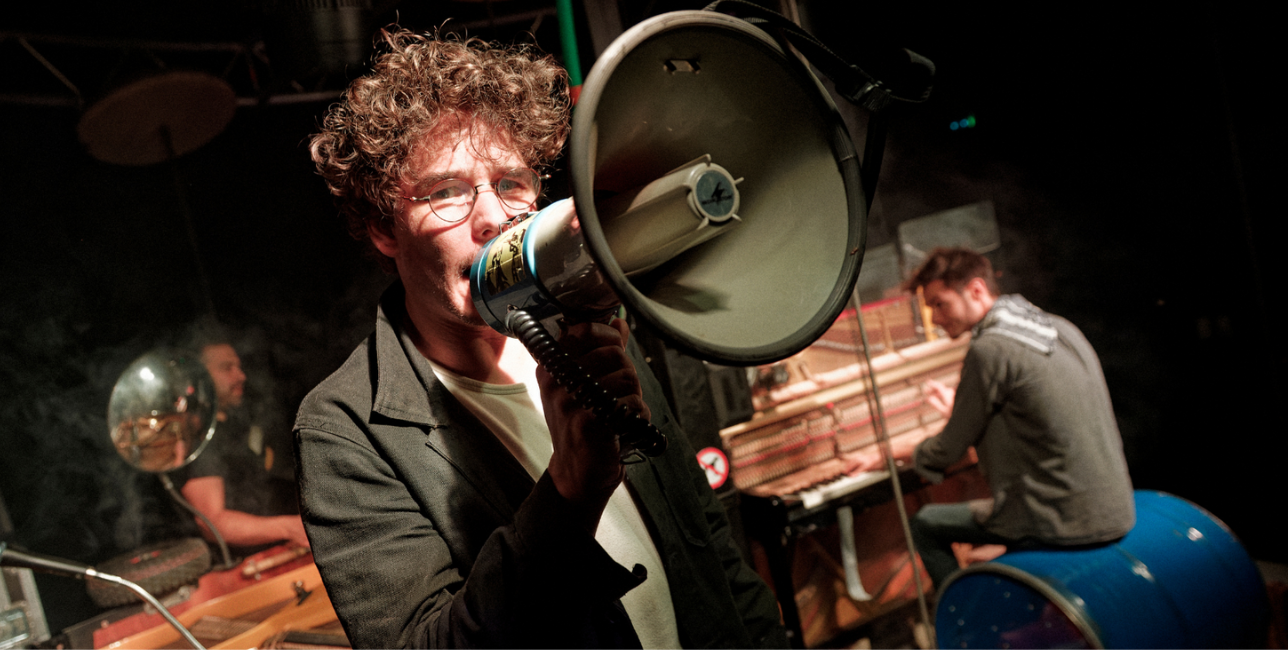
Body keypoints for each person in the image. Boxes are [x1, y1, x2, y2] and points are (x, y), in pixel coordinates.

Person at [293, 25, 789, 649]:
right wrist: (568, 495)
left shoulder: (588, 330)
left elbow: (707, 542)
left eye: (510, 184)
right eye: (446, 192)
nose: (494, 218)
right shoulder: (347, 431)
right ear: (383, 228)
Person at [844, 247, 1135, 589]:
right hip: (1114, 507)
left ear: (977, 290)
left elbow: (947, 450)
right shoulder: (1056, 327)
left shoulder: (990, 349)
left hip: (1059, 520)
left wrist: (881, 455)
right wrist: (962, 412)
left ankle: (969, 618)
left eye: (940, 304)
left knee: (925, 522)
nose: (935, 319)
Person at [172, 337, 309, 557]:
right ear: (199, 378)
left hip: (269, 557)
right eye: (227, 368)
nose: (241, 376)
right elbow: (212, 522)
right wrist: (289, 527)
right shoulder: (200, 438)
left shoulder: (232, 426)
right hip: (233, 571)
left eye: (239, 367)